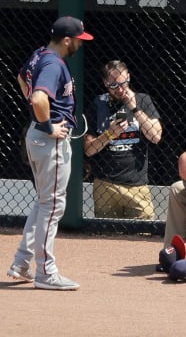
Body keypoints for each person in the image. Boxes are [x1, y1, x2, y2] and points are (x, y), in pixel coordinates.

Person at [7, 16, 93, 290]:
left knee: (44, 202)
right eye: (79, 38)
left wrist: (39, 119)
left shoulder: (40, 54)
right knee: (53, 205)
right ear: (67, 40)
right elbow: (38, 97)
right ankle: (46, 272)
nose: (81, 42)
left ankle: (22, 262)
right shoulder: (54, 63)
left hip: (39, 136)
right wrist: (47, 124)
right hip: (49, 139)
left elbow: (22, 78)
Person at [84, 60, 162, 219]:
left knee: (144, 233)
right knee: (105, 235)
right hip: (106, 185)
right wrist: (109, 134)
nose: (120, 89)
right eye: (114, 86)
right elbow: (89, 150)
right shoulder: (98, 104)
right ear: (105, 83)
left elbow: (155, 136)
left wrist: (134, 108)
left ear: (128, 77)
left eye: (123, 83)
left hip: (137, 185)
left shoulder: (142, 100)